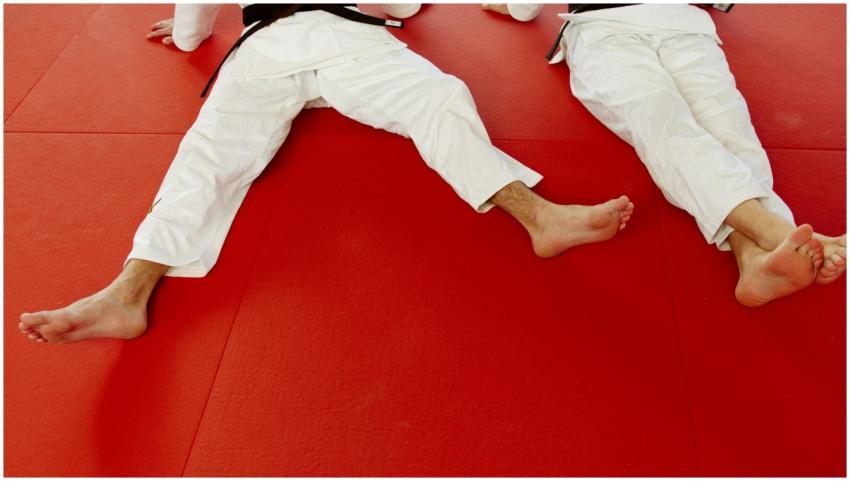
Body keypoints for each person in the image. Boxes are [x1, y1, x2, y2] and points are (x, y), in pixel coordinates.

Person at [19, 4, 634, 344]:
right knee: (438, 98)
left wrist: (186, 38)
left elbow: (193, 23)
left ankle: (127, 293)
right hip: (338, 37)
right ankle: (124, 297)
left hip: (278, 42)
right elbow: (407, 4)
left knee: (206, 157)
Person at [485, 3, 846, 306]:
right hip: (604, 30)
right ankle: (777, 232)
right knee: (663, 121)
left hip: (684, 26)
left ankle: (752, 258)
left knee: (731, 131)